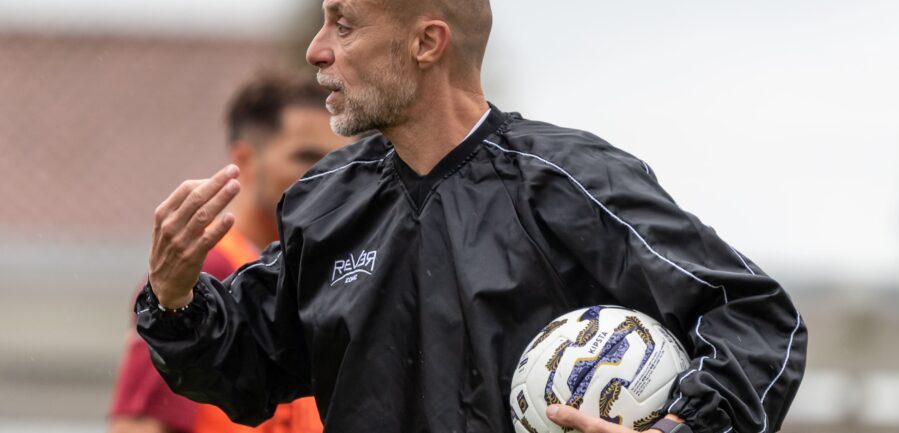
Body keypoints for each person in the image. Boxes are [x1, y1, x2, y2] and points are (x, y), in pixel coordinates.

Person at [135, 1, 807, 433]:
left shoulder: (570, 182)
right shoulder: (323, 204)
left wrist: (679, 428)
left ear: (427, 42)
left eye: (343, 24)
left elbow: (756, 318)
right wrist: (174, 298)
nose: (316, 49)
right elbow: (247, 369)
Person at [110, 71, 351, 433]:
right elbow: (138, 425)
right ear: (245, 160)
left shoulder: (321, 272)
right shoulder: (207, 270)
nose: (327, 176)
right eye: (306, 157)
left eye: (339, 161)